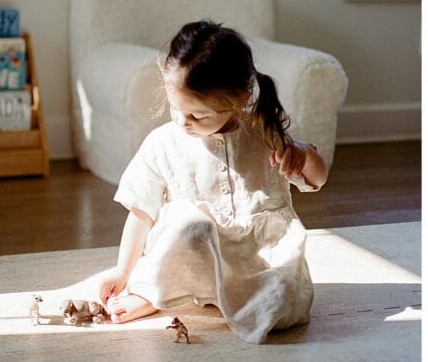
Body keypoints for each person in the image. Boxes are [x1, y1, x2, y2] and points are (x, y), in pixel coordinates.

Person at [90, 19, 329, 344]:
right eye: (176, 109)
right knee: (190, 227)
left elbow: (318, 178)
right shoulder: (162, 143)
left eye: (198, 116)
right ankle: (155, 293)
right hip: (194, 253)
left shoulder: (264, 134)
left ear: (239, 98)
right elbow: (140, 214)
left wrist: (301, 155)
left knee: (287, 300)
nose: (183, 122)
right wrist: (122, 271)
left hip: (254, 257)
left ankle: (232, 296)